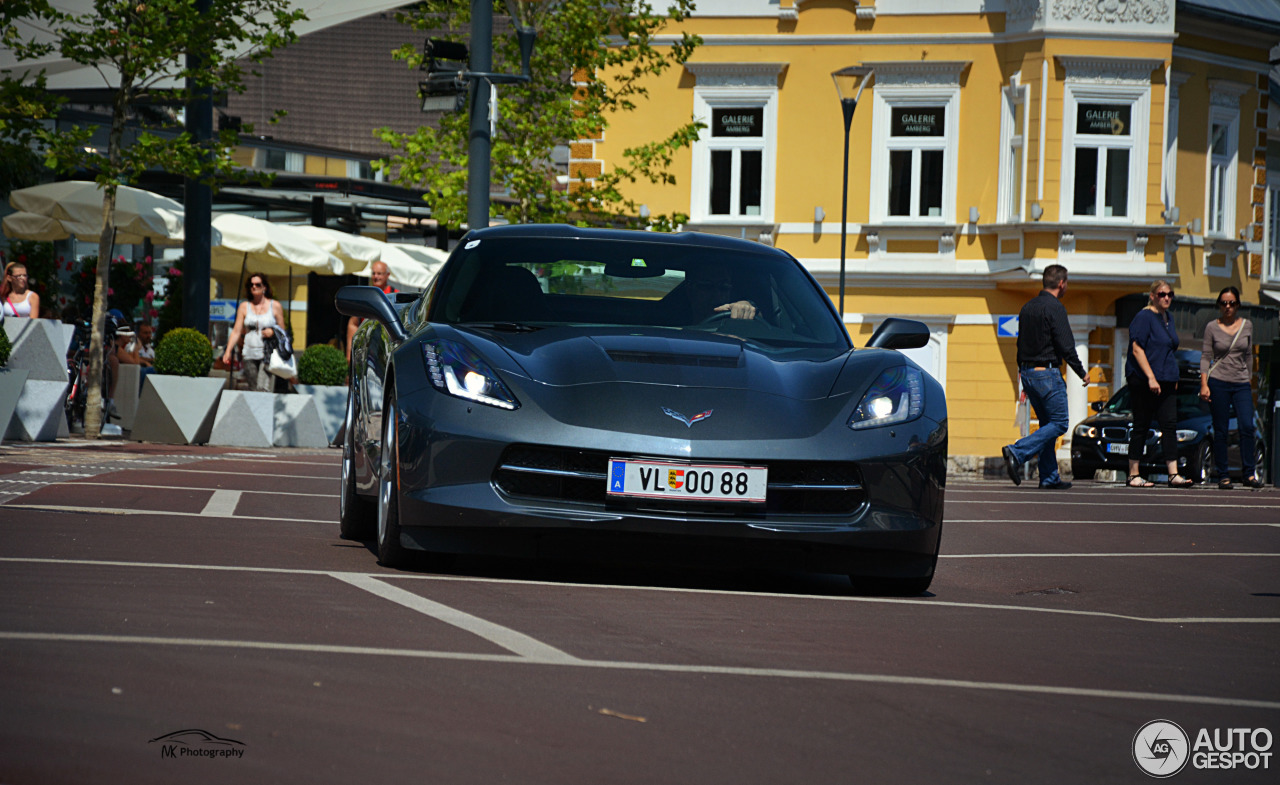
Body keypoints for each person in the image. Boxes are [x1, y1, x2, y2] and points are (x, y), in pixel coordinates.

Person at [1000, 264, 1089, 490]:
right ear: (1061, 283)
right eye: (1066, 283)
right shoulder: (1055, 308)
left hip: (1028, 374)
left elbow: (1020, 344)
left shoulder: (1027, 307)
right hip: (1047, 374)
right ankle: (1017, 451)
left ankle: (1049, 477)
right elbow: (1067, 346)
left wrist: (1023, 371)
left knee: (1047, 424)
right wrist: (1081, 372)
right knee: (1059, 423)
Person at [1125, 280, 1192, 488]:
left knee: (1169, 425)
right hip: (1144, 380)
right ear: (1153, 295)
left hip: (1167, 379)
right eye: (1162, 294)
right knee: (1141, 426)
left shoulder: (1168, 318)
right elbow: (1137, 349)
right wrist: (1151, 377)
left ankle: (1173, 474)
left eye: (1170, 294)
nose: (1167, 298)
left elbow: (1168, 349)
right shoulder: (1144, 317)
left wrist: (1173, 377)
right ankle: (1134, 474)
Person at [1199, 286, 1261, 489]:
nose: (1228, 307)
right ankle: (1223, 475)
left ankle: (1249, 474)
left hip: (1241, 382)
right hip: (1219, 381)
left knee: (1246, 426)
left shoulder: (1247, 325)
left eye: (1232, 303)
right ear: (1219, 305)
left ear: (1238, 305)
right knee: (1221, 430)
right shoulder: (1212, 327)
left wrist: (1250, 381)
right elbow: (1206, 356)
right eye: (1224, 303)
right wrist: (1204, 384)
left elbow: (1249, 355)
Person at [221, 272, 289, 393]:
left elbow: (282, 332)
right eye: (251, 285)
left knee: (263, 389)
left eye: (258, 284)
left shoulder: (275, 306)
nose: (254, 287)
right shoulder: (244, 306)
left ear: (264, 287)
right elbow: (236, 331)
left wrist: (273, 331)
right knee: (253, 389)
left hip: (267, 354)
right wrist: (228, 351)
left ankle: (265, 411)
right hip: (249, 354)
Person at [347, 261, 396, 360]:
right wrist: (350, 352)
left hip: (387, 352)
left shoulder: (395, 296)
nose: (376, 276)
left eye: (379, 273)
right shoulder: (365, 296)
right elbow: (353, 323)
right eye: (373, 273)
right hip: (366, 353)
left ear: (387, 275)